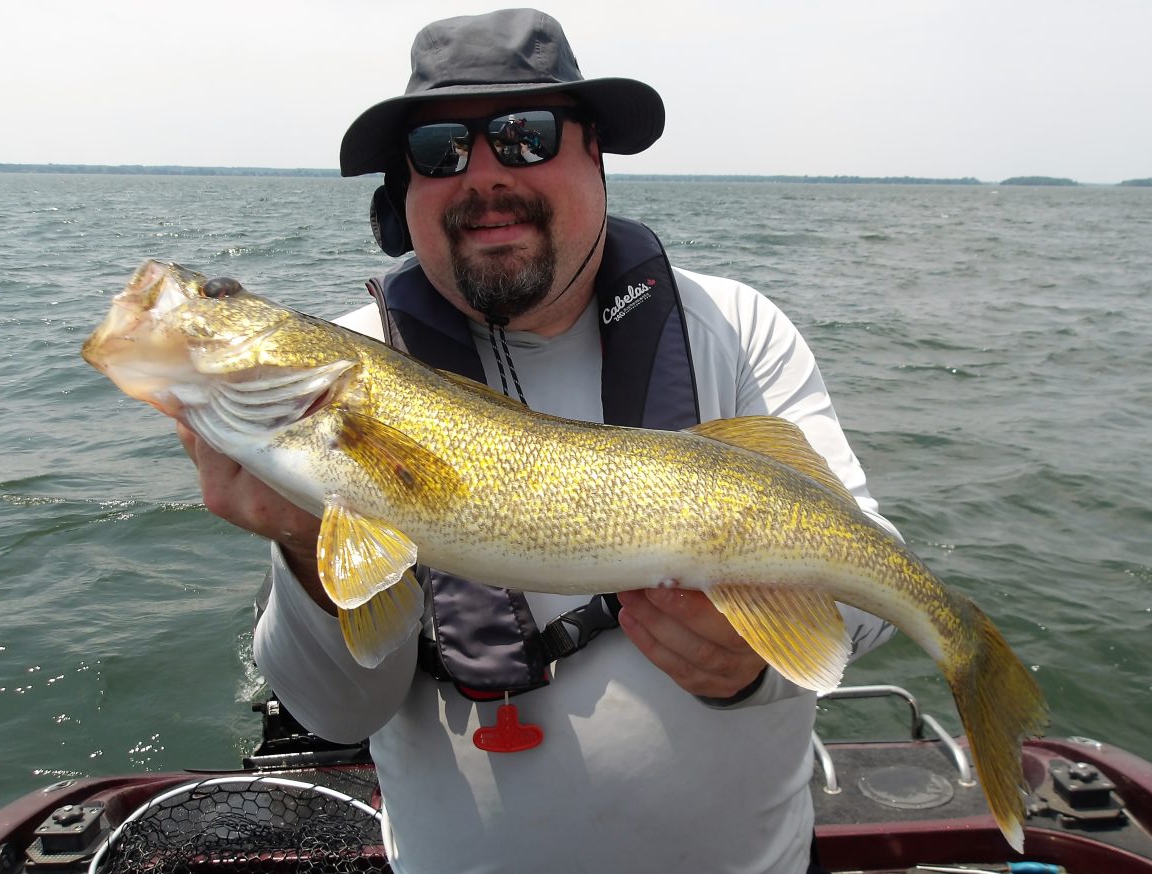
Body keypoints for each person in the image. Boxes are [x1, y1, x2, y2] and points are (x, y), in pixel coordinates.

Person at [179, 9, 899, 873]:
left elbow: (874, 591)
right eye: (440, 149)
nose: (485, 175)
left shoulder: (737, 328)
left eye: (527, 135)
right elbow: (336, 714)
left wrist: (762, 666)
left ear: (596, 153)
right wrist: (304, 546)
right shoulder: (341, 375)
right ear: (400, 195)